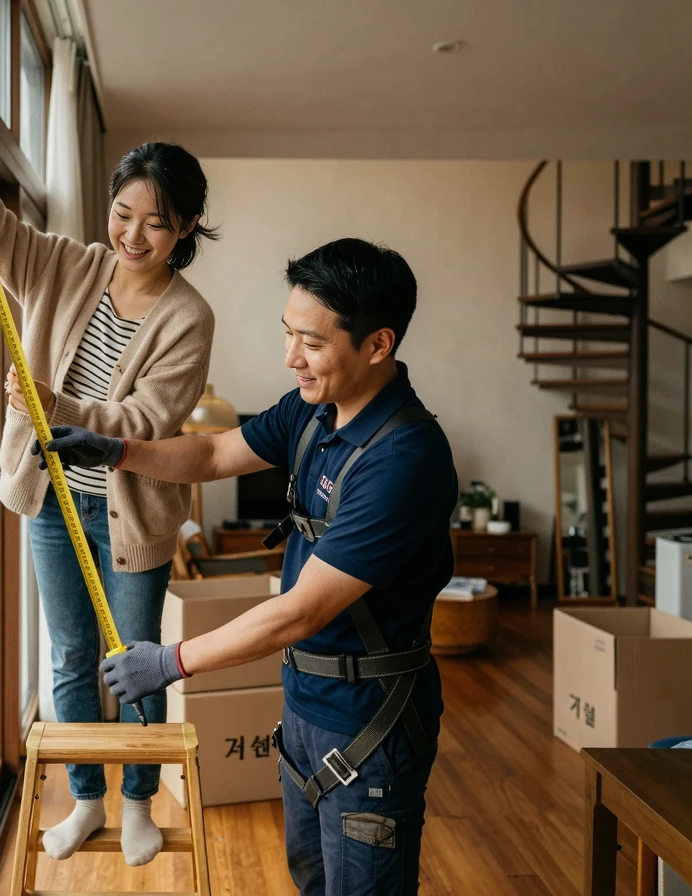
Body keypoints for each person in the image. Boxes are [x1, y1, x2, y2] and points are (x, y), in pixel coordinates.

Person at [35, 238, 457, 894]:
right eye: (288, 334)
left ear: (378, 344)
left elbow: (299, 611)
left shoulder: (404, 460)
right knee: (310, 880)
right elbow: (210, 457)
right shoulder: (313, 410)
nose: (291, 358)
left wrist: (169, 663)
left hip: (370, 726)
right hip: (304, 711)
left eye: (312, 343)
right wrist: (117, 449)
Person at [0, 65, 218, 867]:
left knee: (138, 663)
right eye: (123, 214)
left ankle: (139, 803)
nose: (133, 235)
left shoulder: (189, 316)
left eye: (156, 223)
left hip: (133, 513)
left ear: (184, 227)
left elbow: (148, 422)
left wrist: (61, 408)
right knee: (69, 658)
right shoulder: (67, 266)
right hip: (55, 504)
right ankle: (87, 801)